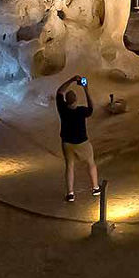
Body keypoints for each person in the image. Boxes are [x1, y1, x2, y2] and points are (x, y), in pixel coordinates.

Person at [56, 74, 99, 203]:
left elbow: (59, 91)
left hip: (67, 142)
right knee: (90, 163)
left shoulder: (62, 108)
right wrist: (86, 89)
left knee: (69, 166)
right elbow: (91, 108)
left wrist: (71, 79)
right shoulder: (81, 111)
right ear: (76, 100)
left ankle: (70, 193)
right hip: (82, 142)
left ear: (66, 101)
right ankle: (95, 187)